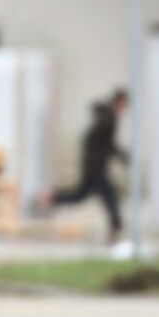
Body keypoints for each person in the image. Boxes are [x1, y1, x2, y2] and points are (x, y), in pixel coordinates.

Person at [42, 88, 128, 242]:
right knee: (109, 196)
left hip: (93, 165)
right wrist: (121, 155)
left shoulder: (107, 116)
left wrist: (118, 155)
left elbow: (101, 142)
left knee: (81, 195)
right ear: (120, 102)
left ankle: (51, 198)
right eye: (125, 104)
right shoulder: (109, 119)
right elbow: (105, 143)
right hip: (95, 167)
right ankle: (115, 228)